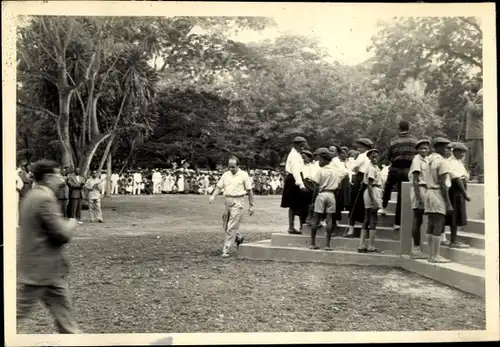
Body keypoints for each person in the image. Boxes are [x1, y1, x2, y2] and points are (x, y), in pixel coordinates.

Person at [17, 159, 82, 333]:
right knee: (15, 314)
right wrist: (72, 223)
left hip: (42, 268)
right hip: (43, 269)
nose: (61, 179)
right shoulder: (45, 199)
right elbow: (62, 234)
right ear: (47, 177)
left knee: (66, 321)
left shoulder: (31, 195)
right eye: (58, 174)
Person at [209, 157, 254, 258]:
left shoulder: (243, 175)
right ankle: (238, 237)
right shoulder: (226, 174)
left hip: (238, 201)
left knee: (231, 226)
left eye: (233, 167)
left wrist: (251, 205)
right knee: (225, 224)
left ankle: (226, 249)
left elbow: (250, 191)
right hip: (227, 201)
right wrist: (213, 195)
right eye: (229, 167)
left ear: (238, 165)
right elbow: (219, 187)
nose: (231, 169)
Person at [380, 120, 418, 231]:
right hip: (408, 169)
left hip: (395, 167)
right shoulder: (414, 141)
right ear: (409, 128)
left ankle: (384, 206)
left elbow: (388, 155)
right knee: (402, 195)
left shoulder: (394, 141)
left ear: (399, 128)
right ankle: (397, 223)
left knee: (387, 186)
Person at [424, 137, 453, 263]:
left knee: (431, 224)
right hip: (437, 193)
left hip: (429, 192)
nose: (448, 150)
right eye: (447, 148)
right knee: (438, 223)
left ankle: (431, 255)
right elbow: (442, 184)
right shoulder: (442, 162)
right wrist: (448, 203)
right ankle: (435, 255)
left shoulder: (428, 159)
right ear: (439, 148)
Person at [309, 148, 343, 251]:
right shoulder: (336, 172)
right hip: (331, 194)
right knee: (329, 219)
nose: (319, 162)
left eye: (320, 160)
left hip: (321, 194)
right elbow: (339, 186)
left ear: (324, 160)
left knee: (316, 218)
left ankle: (312, 243)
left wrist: (313, 200)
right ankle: (327, 245)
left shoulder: (321, 171)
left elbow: (315, 186)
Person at [444, 142, 471, 249]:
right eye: (460, 152)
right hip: (456, 189)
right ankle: (453, 241)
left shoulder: (458, 162)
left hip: (459, 188)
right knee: (454, 215)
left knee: (457, 215)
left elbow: (465, 176)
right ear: (454, 152)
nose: (462, 155)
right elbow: (457, 178)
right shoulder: (452, 162)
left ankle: (453, 239)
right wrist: (465, 193)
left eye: (463, 153)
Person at [358, 148, 384, 253]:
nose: (375, 158)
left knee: (368, 218)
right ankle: (370, 246)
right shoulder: (371, 168)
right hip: (372, 191)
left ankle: (362, 245)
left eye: (376, 156)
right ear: (369, 157)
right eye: (372, 156)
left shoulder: (375, 167)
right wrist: (373, 199)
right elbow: (369, 185)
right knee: (372, 218)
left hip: (374, 191)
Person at [281, 136, 308, 235]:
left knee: (299, 204)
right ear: (296, 145)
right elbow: (296, 171)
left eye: (303, 146)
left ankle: (300, 226)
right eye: (301, 146)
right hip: (294, 179)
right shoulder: (294, 156)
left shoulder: (297, 154)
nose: (302, 148)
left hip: (296, 178)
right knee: (293, 204)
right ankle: (292, 227)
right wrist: (301, 185)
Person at [408, 139, 431, 259]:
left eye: (426, 148)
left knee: (420, 219)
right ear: (417, 149)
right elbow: (415, 180)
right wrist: (419, 197)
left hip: (425, 189)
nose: (424, 150)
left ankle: (417, 248)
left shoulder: (426, 160)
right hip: (419, 190)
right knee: (417, 218)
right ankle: (415, 249)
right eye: (421, 148)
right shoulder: (417, 160)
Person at [346, 138, 373, 238]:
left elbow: (353, 166)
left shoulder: (362, 155)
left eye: (361, 146)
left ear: (366, 147)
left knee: (355, 202)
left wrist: (353, 161)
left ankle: (351, 230)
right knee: (362, 204)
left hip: (361, 178)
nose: (359, 148)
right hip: (365, 178)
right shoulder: (370, 155)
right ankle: (362, 229)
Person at [464, 86, 483, 182]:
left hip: (477, 132)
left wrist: (468, 100)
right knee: (471, 155)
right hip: (473, 132)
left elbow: (478, 111)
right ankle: (474, 176)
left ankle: (479, 177)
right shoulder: (478, 95)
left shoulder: (483, 94)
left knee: (477, 156)